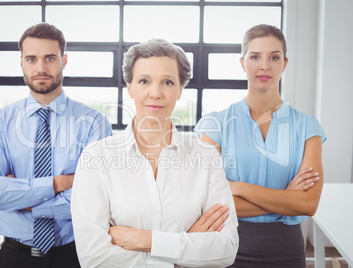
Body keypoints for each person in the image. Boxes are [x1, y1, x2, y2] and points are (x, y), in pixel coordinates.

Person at [71, 39, 239, 267]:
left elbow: (225, 249)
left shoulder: (206, 157)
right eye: (144, 81)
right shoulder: (96, 157)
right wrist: (180, 256)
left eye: (167, 82)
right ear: (129, 88)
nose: (155, 93)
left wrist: (143, 239)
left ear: (180, 89)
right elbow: (94, 258)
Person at [0, 22, 112, 268]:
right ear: (21, 62)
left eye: (50, 58)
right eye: (31, 59)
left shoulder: (94, 123)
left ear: (64, 59)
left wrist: (20, 199)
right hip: (13, 257)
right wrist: (58, 183)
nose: (40, 68)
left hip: (75, 257)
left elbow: (95, 200)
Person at [194, 24, 326, 267]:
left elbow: (308, 204)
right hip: (226, 243)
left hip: (287, 249)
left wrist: (238, 187)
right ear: (243, 63)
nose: (264, 66)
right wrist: (287, 200)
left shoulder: (307, 127)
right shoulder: (215, 124)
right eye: (255, 57)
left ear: (285, 63)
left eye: (274, 57)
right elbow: (209, 203)